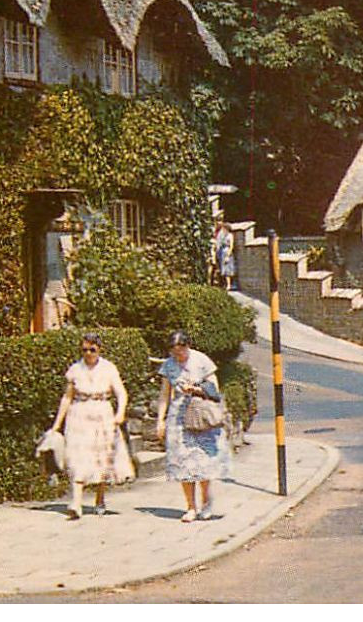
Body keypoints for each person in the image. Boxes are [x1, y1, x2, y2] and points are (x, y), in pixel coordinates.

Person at [49, 332, 133, 520]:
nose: (88, 353)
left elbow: (121, 393)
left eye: (92, 349)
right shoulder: (75, 369)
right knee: (78, 457)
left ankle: (100, 498)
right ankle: (76, 503)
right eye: (85, 350)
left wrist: (120, 413)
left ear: (99, 349)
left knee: (101, 457)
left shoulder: (109, 368)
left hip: (102, 413)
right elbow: (67, 397)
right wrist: (57, 424)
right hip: (79, 414)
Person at [155, 331, 231, 522]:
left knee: (202, 459)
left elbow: (214, 389)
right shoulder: (169, 365)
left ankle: (206, 501)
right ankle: (190, 507)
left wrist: (196, 389)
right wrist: (160, 420)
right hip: (178, 416)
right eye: (174, 351)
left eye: (181, 350)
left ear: (188, 346)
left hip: (200, 414)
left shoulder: (201, 360)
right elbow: (165, 394)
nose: (178, 354)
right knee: (183, 462)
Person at [212, 220, 236, 290]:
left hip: (227, 252)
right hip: (222, 252)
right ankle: (225, 284)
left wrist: (228, 255)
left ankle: (229, 285)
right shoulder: (223, 236)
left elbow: (231, 246)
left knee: (227, 269)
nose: (223, 230)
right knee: (223, 269)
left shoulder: (230, 236)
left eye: (224, 229)